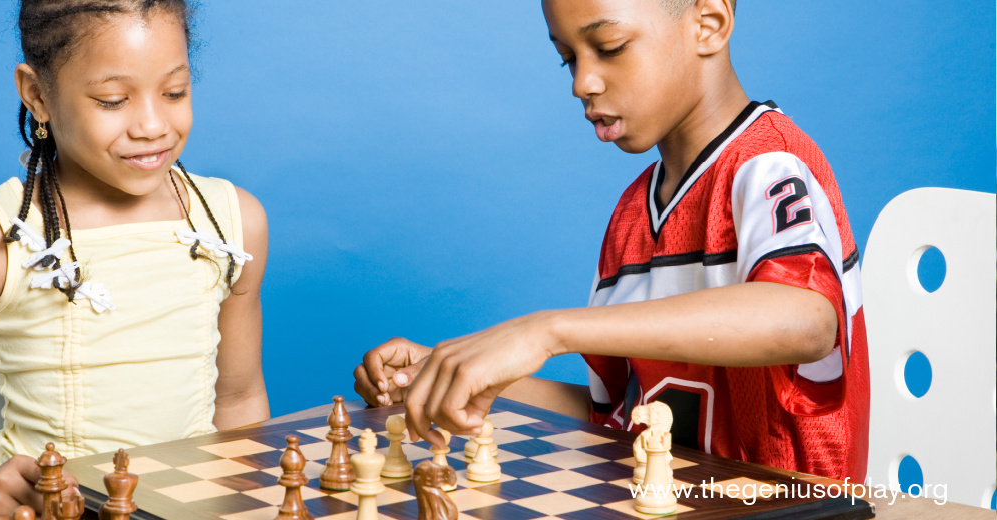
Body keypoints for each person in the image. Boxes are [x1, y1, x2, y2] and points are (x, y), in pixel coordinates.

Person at [354, 0, 869, 482]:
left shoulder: (767, 164)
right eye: (567, 59)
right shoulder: (631, 213)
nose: (582, 83)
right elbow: (621, 418)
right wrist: (458, 371)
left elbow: (805, 319)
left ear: (708, 23)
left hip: (785, 504)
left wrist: (545, 331)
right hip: (670, 499)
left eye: (610, 48)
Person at [0, 1, 270, 518]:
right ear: (37, 94)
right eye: (112, 100)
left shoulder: (232, 222)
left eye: (175, 92)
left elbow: (238, 402)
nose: (152, 124)